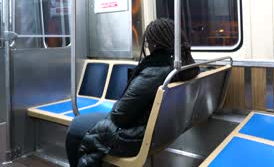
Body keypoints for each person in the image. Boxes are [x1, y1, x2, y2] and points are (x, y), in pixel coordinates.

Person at [65, 18, 199, 167]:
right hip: (162, 130)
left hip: (135, 136)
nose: (147, 47)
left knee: (76, 126)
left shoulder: (155, 71)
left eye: (148, 43)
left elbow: (119, 116)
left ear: (155, 44)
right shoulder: (186, 67)